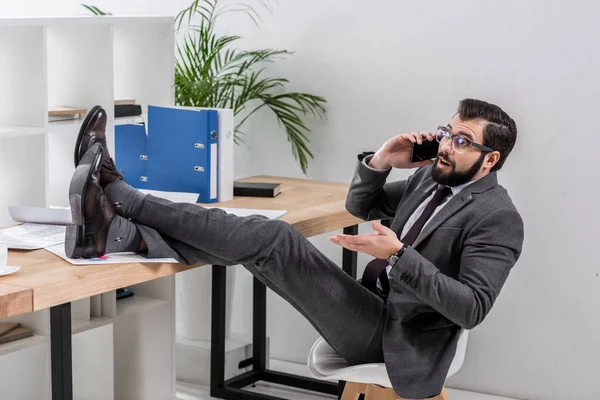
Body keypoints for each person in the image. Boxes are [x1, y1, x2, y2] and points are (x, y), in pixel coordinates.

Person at [66, 98, 524, 399]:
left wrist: (399, 256)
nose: (446, 145)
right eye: (447, 132)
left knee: (274, 239)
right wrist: (381, 161)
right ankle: (120, 233)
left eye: (462, 142)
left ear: (490, 159)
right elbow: (359, 205)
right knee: (260, 244)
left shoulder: (497, 217)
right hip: (374, 309)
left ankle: (120, 198)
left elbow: (472, 308)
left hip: (398, 339)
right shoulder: (431, 177)